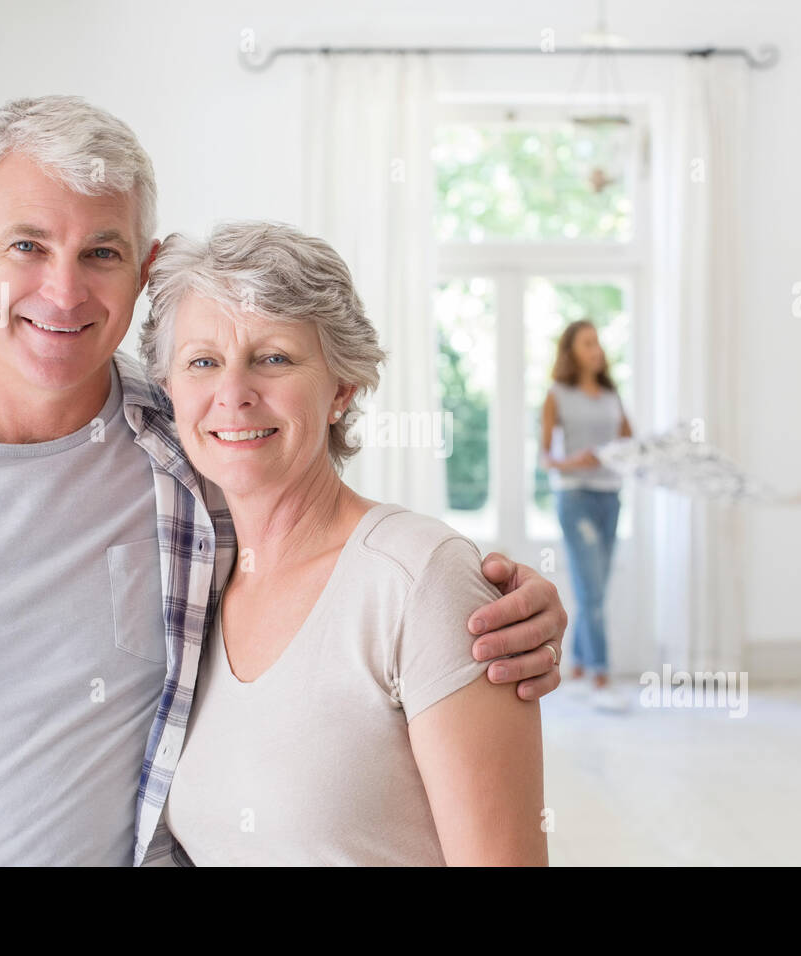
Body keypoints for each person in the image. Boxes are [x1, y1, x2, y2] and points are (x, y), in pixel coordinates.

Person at [0, 96, 567, 867]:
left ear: (141, 271)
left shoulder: (195, 454)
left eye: (100, 252)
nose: (63, 290)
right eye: (27, 245)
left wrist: (491, 598)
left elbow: (342, 561)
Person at [144, 223, 547, 864]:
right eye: (202, 362)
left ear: (341, 389)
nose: (234, 394)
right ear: (169, 390)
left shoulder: (418, 580)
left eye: (274, 357)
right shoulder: (194, 581)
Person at [541, 320, 634, 712]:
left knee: (593, 591)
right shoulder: (557, 395)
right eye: (587, 343)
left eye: (598, 343)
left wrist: (619, 454)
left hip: (609, 497)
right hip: (575, 496)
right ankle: (601, 676)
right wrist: (573, 462)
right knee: (592, 591)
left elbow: (632, 442)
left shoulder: (612, 395)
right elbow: (545, 457)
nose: (595, 349)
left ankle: (577, 669)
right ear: (572, 351)